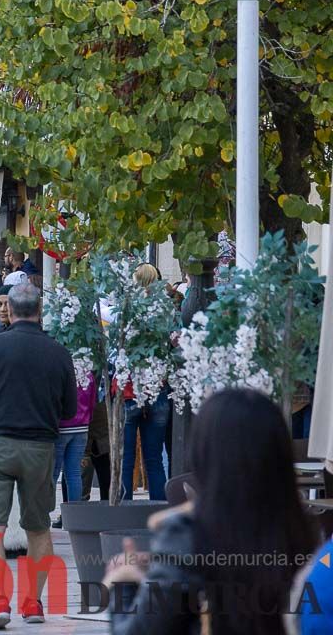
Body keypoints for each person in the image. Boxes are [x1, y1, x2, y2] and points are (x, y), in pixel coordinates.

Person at [105, 388, 318, 635]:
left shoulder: (187, 532)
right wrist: (159, 572)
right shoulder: (300, 531)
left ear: (203, 452)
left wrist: (124, 582)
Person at [0, 283, 76, 628]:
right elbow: (69, 408)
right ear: (39, 309)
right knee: (38, 527)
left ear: (9, 309)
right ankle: (33, 602)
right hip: (40, 446)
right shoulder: (58, 351)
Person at [120, 263, 171, 501]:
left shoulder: (127, 310)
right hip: (159, 389)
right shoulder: (167, 311)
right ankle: (158, 510)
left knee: (126, 459)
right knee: (154, 460)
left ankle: (123, 514)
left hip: (130, 390)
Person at [55, 372, 95, 506]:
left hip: (62, 426)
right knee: (74, 473)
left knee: (53, 473)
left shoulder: (61, 372)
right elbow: (92, 401)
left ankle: (44, 512)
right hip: (82, 426)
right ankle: (74, 511)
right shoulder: (88, 374)